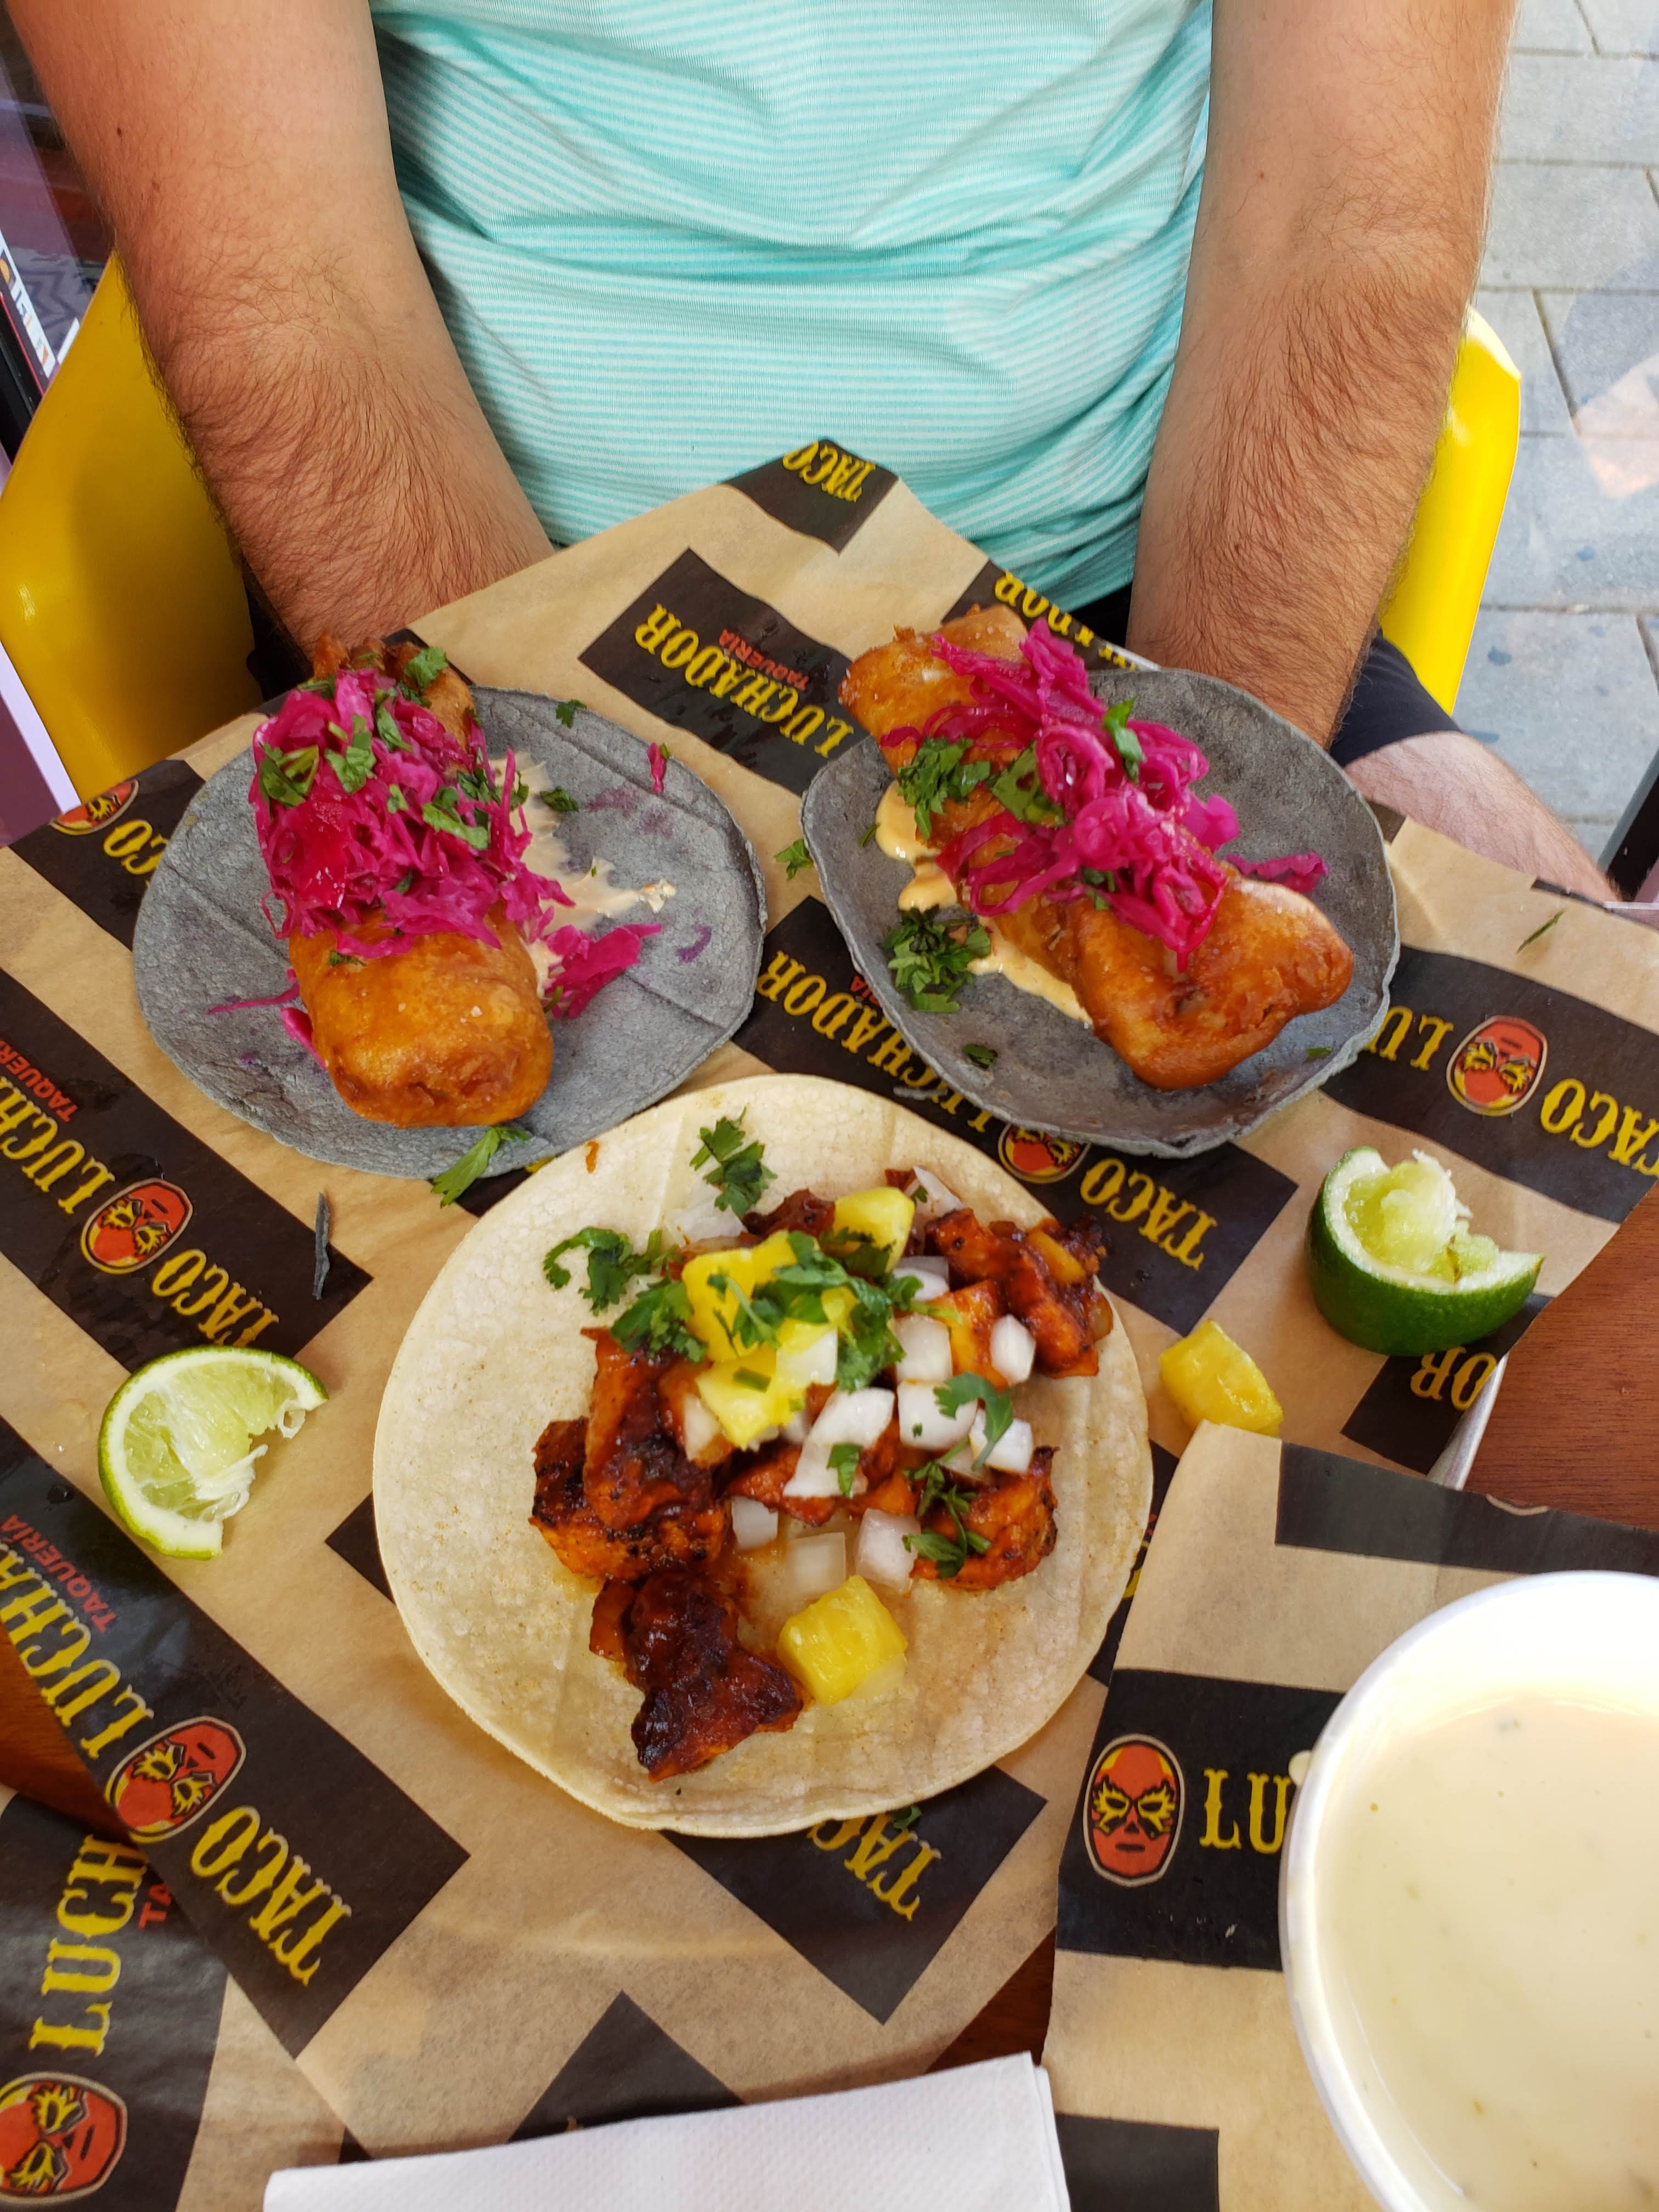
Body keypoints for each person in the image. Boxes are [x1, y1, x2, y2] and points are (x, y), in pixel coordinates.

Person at [14, 0, 1609, 898]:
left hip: (1140, 605)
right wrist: (585, 855)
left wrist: (1159, 851)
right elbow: (287, 298)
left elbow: (1351, 223)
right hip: (504, 620)